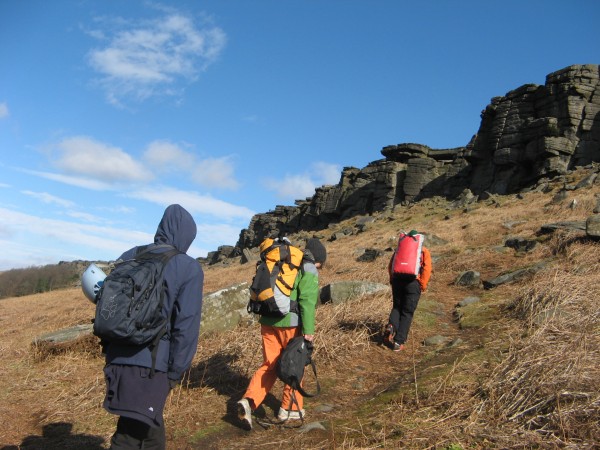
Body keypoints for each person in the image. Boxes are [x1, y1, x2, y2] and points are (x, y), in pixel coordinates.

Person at [102, 204, 204, 450]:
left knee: (145, 429)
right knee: (130, 437)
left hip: (117, 355)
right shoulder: (187, 267)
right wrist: (175, 371)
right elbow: (186, 325)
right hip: (151, 365)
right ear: (186, 235)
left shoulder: (130, 255)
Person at [237, 237, 327, 430]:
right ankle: (290, 408)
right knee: (295, 365)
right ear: (317, 259)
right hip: (291, 324)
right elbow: (307, 301)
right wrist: (309, 331)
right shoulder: (308, 267)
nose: (319, 268)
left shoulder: (285, 261)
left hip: (268, 320)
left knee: (269, 365)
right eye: (321, 264)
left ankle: (249, 401)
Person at [383, 230, 432, 351]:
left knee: (397, 307)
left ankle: (391, 326)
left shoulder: (400, 248)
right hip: (413, 283)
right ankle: (398, 342)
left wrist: (392, 280)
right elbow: (427, 269)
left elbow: (391, 265)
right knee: (407, 312)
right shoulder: (423, 250)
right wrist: (422, 285)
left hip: (397, 281)